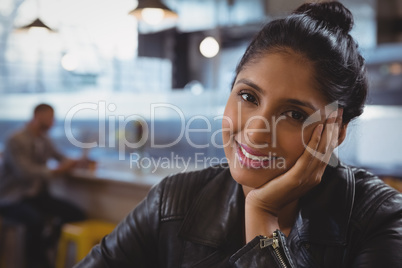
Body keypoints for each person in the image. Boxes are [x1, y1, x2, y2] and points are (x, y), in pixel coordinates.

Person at [75, 2, 402, 267]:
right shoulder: (173, 203)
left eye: (294, 114)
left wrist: (262, 219)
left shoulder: (380, 218)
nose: (257, 131)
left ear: (336, 132)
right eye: (248, 97)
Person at [0, 103, 86, 268]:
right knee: (35, 221)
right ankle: (36, 263)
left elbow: (61, 157)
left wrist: (78, 162)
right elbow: (25, 172)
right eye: (50, 117)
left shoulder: (44, 139)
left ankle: (46, 244)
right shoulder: (15, 139)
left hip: (37, 196)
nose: (53, 122)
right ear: (38, 116)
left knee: (76, 214)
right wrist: (58, 170)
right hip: (13, 198)